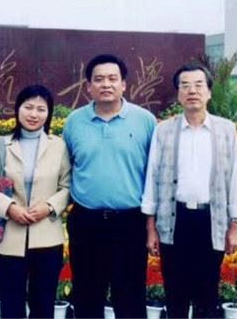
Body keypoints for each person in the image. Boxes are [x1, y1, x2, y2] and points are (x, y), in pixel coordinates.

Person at [141, 64, 237, 319]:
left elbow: (235, 177)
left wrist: (235, 225)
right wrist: (150, 227)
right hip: (174, 220)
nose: (192, 91)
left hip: (210, 220)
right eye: (185, 86)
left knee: (207, 294)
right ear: (178, 94)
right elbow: (152, 177)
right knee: (175, 294)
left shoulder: (225, 130)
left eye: (199, 85)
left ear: (209, 92)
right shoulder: (164, 130)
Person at [62, 54, 157, 319]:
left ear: (124, 84)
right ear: (89, 86)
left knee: (130, 299)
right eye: (99, 79)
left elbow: (155, 174)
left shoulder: (145, 121)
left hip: (130, 223)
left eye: (113, 78)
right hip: (86, 222)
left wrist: (152, 225)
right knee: (86, 297)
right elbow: (65, 168)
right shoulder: (74, 122)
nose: (106, 84)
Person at [0, 85, 71, 319]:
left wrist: (49, 207)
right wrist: (9, 208)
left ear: (48, 113)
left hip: (47, 238)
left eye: (41, 109)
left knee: (43, 306)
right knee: (11, 306)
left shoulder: (59, 147)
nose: (33, 114)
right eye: (28, 107)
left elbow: (68, 186)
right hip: (8, 238)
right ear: (18, 109)